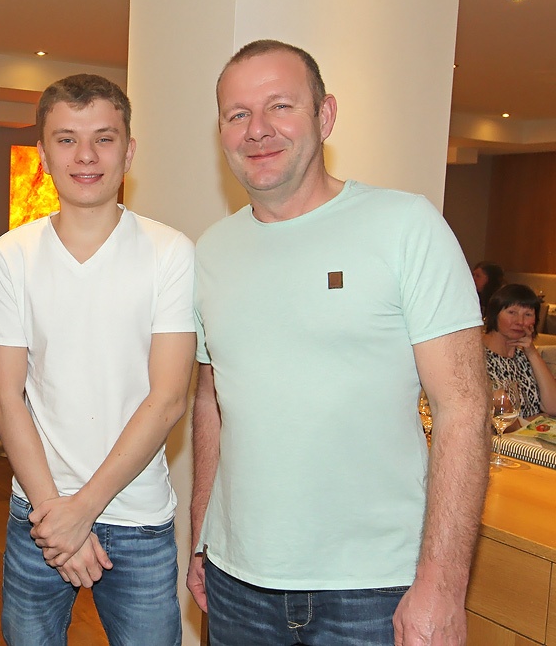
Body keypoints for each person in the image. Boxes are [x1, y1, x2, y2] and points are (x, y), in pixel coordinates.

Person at [188, 40, 491, 645]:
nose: (258, 129)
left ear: (325, 115)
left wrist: (443, 584)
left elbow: (465, 408)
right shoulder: (211, 250)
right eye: (237, 114)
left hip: (375, 590)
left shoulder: (406, 227)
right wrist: (202, 537)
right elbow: (209, 402)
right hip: (236, 583)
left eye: (280, 106)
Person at [0, 73, 196, 646]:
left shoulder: (170, 251)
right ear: (43, 154)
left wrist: (82, 511)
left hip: (138, 517)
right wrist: (56, 514)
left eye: (104, 138)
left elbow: (169, 397)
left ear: (129, 150)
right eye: (67, 139)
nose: (86, 156)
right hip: (37, 512)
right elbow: (4, 396)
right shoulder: (13, 254)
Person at [483, 283, 556, 419]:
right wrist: (536, 420)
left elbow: (553, 407)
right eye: (512, 312)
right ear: (494, 314)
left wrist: (532, 353)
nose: (520, 321)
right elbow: (500, 421)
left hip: (534, 432)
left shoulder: (524, 355)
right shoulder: (478, 356)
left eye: (528, 314)